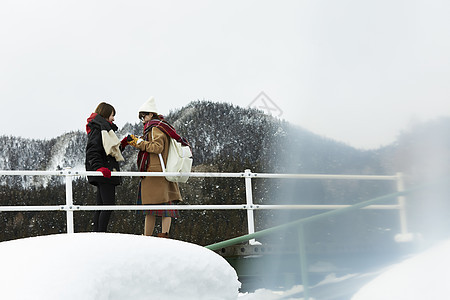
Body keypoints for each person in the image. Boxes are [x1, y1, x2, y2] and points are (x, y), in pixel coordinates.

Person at [127, 96, 187, 238]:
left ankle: (148, 237)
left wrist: (137, 143)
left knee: (152, 207)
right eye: (142, 117)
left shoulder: (155, 128)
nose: (143, 120)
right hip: (163, 170)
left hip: (155, 172)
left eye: (144, 116)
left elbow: (157, 147)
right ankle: (163, 235)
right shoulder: (162, 126)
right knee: (164, 207)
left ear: (151, 114)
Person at [85, 102, 128, 232]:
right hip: (105, 172)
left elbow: (107, 149)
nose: (113, 118)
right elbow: (93, 150)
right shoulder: (99, 129)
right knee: (108, 205)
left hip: (105, 171)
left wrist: (123, 144)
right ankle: (101, 233)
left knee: (101, 205)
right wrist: (99, 168)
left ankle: (97, 233)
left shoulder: (101, 128)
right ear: (105, 114)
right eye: (112, 115)